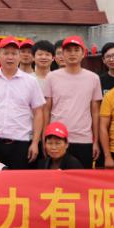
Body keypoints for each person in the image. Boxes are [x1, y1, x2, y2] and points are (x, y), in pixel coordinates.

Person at [0, 37, 45, 170]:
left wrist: (35, 142)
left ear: (19, 56)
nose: (10, 57)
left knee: (19, 181)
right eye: (6, 53)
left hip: (21, 144)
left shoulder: (31, 81)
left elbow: (38, 112)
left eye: (14, 53)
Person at [43, 35, 102, 168]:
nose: (72, 54)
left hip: (83, 138)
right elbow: (46, 109)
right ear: (62, 54)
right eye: (68, 50)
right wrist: (44, 137)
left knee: (81, 179)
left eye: (76, 50)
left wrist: (96, 141)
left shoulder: (93, 78)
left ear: (83, 53)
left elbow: (95, 112)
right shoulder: (52, 77)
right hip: (56, 139)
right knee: (55, 179)